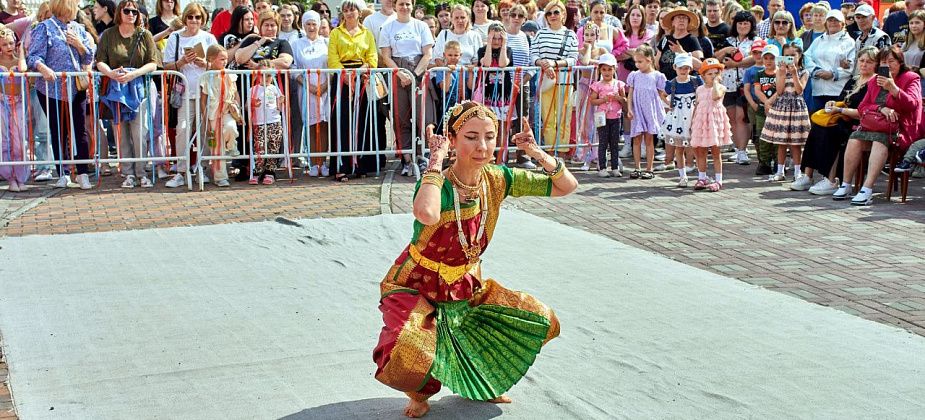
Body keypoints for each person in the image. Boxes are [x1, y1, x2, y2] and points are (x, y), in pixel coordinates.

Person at [373, 100, 577, 418]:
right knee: (410, 343)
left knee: (533, 316)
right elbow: (425, 214)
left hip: (465, 281)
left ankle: (482, 382)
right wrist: (435, 162)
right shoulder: (437, 184)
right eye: (471, 136)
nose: (482, 146)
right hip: (417, 282)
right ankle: (419, 394)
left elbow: (566, 186)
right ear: (452, 140)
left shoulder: (496, 179)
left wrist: (536, 153)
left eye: (490, 136)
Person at [838, 45, 923, 205]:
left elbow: (912, 104)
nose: (888, 65)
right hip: (877, 125)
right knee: (854, 138)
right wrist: (880, 108)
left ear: (900, 62)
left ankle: (867, 189)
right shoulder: (875, 80)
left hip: (900, 128)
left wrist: (893, 88)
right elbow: (863, 107)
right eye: (884, 62)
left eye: (892, 61)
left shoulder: (911, 77)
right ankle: (846, 184)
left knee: (879, 140)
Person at [27, 0, 97, 190]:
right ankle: (63, 173)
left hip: (76, 87)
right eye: (75, 5)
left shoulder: (78, 28)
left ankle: (82, 173)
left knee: (80, 129)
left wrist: (79, 45)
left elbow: (89, 57)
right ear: (67, 6)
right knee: (58, 129)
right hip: (50, 88)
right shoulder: (44, 28)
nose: (78, 9)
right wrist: (43, 68)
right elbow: (33, 57)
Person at [793, 46, 878, 195]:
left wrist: (840, 110)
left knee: (832, 130)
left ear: (876, 64)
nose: (864, 64)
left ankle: (831, 179)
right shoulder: (854, 80)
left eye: (869, 62)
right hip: (843, 116)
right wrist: (832, 104)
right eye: (862, 60)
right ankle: (808, 175)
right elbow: (840, 100)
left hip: (859, 122)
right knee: (818, 126)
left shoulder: (875, 83)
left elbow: (865, 112)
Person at [96, 0, 160, 189]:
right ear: (119, 13)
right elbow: (100, 60)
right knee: (121, 133)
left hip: (139, 87)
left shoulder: (145, 34)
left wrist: (134, 74)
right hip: (116, 89)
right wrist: (111, 74)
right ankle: (128, 173)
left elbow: (153, 63)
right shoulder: (109, 34)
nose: (131, 14)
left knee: (140, 131)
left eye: (135, 11)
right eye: (127, 10)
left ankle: (141, 172)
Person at [161, 2, 218, 188]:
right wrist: (181, 62)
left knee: (205, 131)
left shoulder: (209, 38)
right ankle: (181, 170)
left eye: (198, 17)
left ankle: (202, 167)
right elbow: (166, 65)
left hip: (205, 92)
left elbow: (220, 63)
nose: (194, 20)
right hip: (184, 92)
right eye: (191, 17)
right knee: (183, 130)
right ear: (185, 18)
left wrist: (205, 64)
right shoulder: (175, 38)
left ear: (203, 19)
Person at [379, 0, 434, 176]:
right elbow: (386, 55)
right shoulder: (388, 27)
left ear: (413, 5)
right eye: (401, 3)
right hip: (398, 72)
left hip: (418, 71)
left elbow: (428, 54)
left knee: (422, 117)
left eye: (408, 4)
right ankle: (407, 159)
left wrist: (414, 75)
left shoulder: (421, 26)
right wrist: (400, 74)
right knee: (400, 118)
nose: (405, 7)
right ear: (395, 5)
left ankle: (422, 156)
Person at [328, 0, 378, 182]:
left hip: (362, 78)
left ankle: (360, 164)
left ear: (359, 13)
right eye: (346, 10)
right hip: (342, 80)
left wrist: (360, 72)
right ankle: (341, 166)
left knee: (362, 121)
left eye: (353, 10)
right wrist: (346, 77)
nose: (349, 13)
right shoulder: (335, 33)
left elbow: (372, 56)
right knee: (341, 122)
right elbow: (332, 58)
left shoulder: (367, 34)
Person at [531, 0, 579, 156]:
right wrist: (543, 64)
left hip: (564, 81)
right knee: (548, 117)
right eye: (549, 13)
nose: (552, 16)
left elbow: (573, 58)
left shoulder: (570, 34)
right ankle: (550, 151)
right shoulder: (540, 33)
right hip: (545, 81)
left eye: (556, 12)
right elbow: (533, 55)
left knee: (564, 117)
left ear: (563, 14)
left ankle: (562, 150)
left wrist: (554, 64)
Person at [760, 44, 810, 183]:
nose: (790, 58)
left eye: (793, 55)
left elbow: (799, 90)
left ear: (799, 56)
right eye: (786, 55)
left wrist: (794, 73)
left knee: (796, 143)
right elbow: (780, 90)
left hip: (797, 107)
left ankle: (797, 172)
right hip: (782, 107)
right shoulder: (779, 71)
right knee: (781, 141)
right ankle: (780, 171)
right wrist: (781, 73)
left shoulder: (804, 72)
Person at [291, 10, 330, 177]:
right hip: (307, 90)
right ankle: (314, 162)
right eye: (308, 24)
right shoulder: (297, 44)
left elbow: (333, 66)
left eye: (314, 23)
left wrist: (326, 85)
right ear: (303, 25)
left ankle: (324, 161)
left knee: (325, 125)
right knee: (312, 125)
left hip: (325, 89)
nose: (311, 27)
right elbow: (293, 68)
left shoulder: (327, 42)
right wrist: (309, 86)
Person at [715, 10, 756, 166]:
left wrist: (736, 64)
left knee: (742, 117)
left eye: (746, 23)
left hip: (746, 84)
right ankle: (737, 148)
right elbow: (715, 58)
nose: (743, 26)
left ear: (751, 25)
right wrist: (725, 51)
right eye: (740, 23)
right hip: (727, 84)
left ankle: (743, 150)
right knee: (732, 118)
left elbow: (754, 58)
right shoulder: (726, 40)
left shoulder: (755, 41)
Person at [198, 45, 241, 187]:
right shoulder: (206, 76)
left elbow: (235, 94)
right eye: (221, 59)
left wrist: (238, 109)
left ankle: (232, 145)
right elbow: (203, 99)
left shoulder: (229, 74)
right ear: (211, 59)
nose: (224, 62)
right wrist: (204, 117)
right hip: (213, 114)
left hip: (227, 111)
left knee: (231, 128)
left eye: (226, 59)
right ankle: (220, 176)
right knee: (215, 145)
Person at [687, 57, 730, 191]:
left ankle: (718, 180)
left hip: (714, 122)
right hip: (701, 122)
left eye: (715, 73)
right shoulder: (699, 89)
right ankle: (702, 177)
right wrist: (692, 123)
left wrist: (716, 83)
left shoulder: (721, 87)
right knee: (701, 151)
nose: (712, 76)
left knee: (716, 152)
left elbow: (715, 96)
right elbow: (697, 106)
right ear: (703, 76)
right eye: (709, 74)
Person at [626, 44, 667, 179]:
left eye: (640, 61)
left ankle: (649, 168)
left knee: (649, 140)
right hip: (637, 111)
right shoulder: (634, 76)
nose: (637, 64)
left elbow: (662, 94)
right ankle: (637, 167)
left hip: (650, 111)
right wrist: (630, 109)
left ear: (649, 59)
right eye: (636, 61)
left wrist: (669, 105)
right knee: (636, 139)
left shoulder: (657, 76)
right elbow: (630, 94)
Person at [659, 53, 700, 187]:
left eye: (686, 68)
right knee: (679, 146)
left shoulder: (696, 81)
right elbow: (662, 94)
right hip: (678, 118)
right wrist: (669, 105)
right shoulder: (672, 84)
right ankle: (682, 176)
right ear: (675, 67)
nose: (683, 70)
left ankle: (699, 173)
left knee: (696, 146)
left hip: (693, 116)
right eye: (681, 67)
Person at [573, 22, 610, 170]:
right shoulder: (581, 50)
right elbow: (586, 61)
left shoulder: (602, 50)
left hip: (598, 88)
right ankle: (583, 151)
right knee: (584, 121)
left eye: (592, 35)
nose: (589, 37)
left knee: (598, 120)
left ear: (597, 35)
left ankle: (596, 152)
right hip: (584, 86)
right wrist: (587, 48)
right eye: (586, 35)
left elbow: (607, 63)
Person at [805, 10, 855, 113]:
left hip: (838, 90)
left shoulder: (849, 42)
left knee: (834, 123)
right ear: (826, 23)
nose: (832, 23)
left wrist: (832, 74)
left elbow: (851, 66)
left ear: (842, 23)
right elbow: (806, 57)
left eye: (836, 20)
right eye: (830, 20)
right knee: (818, 122)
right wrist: (816, 71)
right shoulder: (818, 40)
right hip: (818, 90)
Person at [589, 53, 626, 177]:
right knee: (603, 143)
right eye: (604, 69)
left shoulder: (619, 84)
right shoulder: (597, 85)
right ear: (600, 70)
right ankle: (602, 168)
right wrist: (603, 100)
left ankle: (615, 167)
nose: (607, 72)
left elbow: (624, 100)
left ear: (614, 69)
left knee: (614, 143)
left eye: (609, 69)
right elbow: (592, 101)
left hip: (615, 117)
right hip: (602, 118)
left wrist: (618, 98)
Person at [0, 27, 26, 191]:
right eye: (4, 44)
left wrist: (21, 51)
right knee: (4, 141)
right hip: (2, 104)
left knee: (18, 141)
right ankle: (9, 177)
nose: (9, 47)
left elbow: (23, 69)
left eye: (11, 43)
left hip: (18, 103)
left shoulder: (18, 60)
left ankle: (20, 176)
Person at [247, 72, 285, 184]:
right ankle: (258, 171)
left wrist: (281, 101)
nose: (266, 78)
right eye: (263, 75)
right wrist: (253, 104)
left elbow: (280, 107)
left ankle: (270, 172)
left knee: (274, 146)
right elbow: (246, 106)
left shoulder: (275, 89)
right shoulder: (253, 90)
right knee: (260, 147)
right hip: (259, 123)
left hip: (274, 121)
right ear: (257, 76)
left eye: (269, 75)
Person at [654, 7, 703, 81]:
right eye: (678, 17)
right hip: (665, 85)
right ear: (672, 21)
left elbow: (700, 66)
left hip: (684, 86)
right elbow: (657, 65)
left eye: (685, 18)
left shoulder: (692, 40)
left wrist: (681, 52)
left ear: (688, 22)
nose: (681, 20)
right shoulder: (665, 39)